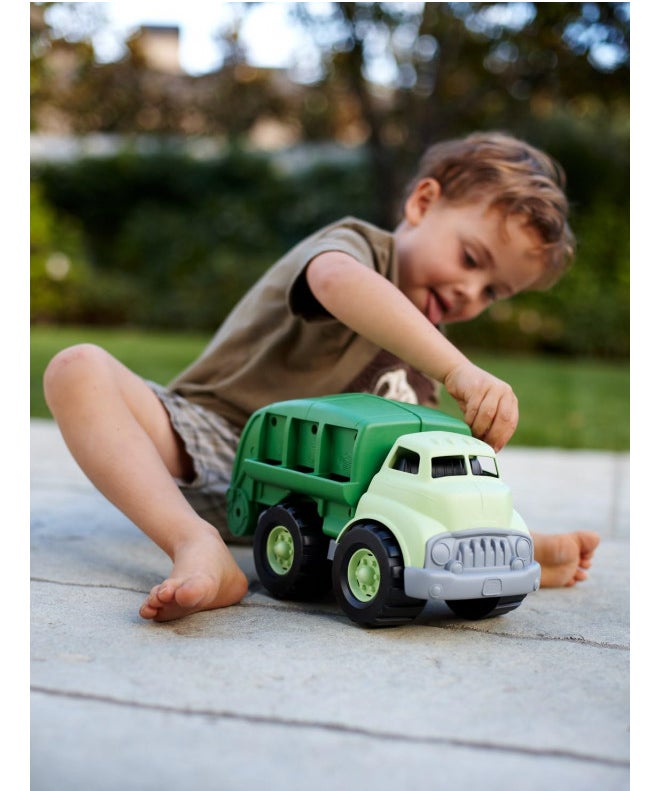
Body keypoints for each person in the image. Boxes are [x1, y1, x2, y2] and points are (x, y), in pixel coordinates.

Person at [43, 131, 600, 623]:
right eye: (472, 260)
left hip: (311, 504)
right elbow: (335, 281)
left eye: (493, 293)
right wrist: (457, 369)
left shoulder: (425, 353)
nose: (468, 294)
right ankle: (195, 542)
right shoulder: (357, 250)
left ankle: (507, 553)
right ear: (423, 202)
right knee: (78, 368)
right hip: (208, 442)